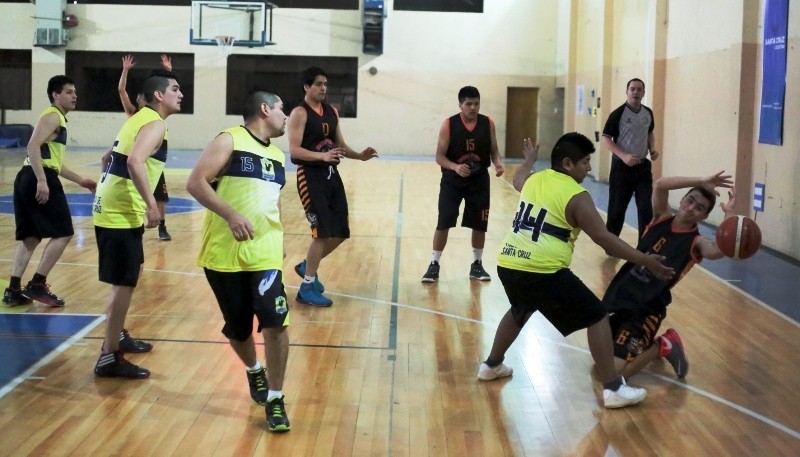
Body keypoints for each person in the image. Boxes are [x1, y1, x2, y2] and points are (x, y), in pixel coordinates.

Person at [478, 133, 675, 409]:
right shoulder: (577, 196)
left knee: (521, 308)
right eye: (585, 163)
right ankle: (613, 388)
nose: (590, 169)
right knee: (597, 316)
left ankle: (491, 365)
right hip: (543, 270)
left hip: (509, 263)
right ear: (568, 164)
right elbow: (604, 239)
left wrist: (529, 161)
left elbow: (517, 179)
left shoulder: (536, 179)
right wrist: (646, 260)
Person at [187, 91, 291, 433]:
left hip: (266, 253)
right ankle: (253, 370)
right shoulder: (228, 139)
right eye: (282, 109)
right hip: (223, 253)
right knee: (238, 329)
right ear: (265, 109)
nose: (286, 116)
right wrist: (230, 214)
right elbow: (195, 182)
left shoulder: (277, 155)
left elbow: (270, 202)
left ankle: (275, 398)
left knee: (276, 323)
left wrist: (280, 243)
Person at [92, 70, 182, 378]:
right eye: (175, 89)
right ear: (159, 95)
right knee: (124, 283)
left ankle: (115, 335)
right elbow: (133, 161)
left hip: (114, 208)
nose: (180, 94)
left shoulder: (139, 118)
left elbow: (108, 158)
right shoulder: (155, 123)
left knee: (129, 277)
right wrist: (150, 205)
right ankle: (108, 357)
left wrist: (105, 186)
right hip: (120, 212)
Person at [604, 172, 735, 380]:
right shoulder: (661, 217)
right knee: (599, 358)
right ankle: (645, 345)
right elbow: (661, 184)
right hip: (619, 296)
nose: (691, 208)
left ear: (704, 217)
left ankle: (664, 344)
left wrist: (729, 217)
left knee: (613, 374)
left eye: (699, 208)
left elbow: (717, 250)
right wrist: (700, 180)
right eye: (689, 201)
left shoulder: (696, 241)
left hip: (644, 310)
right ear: (682, 200)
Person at [287, 66, 379, 307]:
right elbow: (294, 151)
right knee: (322, 233)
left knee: (340, 231)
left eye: (325, 83)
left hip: (330, 175)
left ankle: (308, 266)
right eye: (318, 83)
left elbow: (340, 145)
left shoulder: (332, 112)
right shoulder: (300, 112)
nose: (323, 88)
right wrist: (321, 157)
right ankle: (306, 287)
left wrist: (359, 156)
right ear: (307, 87)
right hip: (310, 176)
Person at [2, 75, 96, 308]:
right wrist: (42, 181)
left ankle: (13, 289)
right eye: (68, 92)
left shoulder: (57, 120)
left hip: (27, 177)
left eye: (75, 92)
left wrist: (81, 180)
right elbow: (32, 146)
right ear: (55, 95)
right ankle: (37, 284)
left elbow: (52, 161)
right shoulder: (53, 116)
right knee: (63, 232)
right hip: (36, 177)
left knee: (31, 236)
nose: (74, 96)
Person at [421, 86, 504, 283]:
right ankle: (434, 264)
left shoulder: (488, 123)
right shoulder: (449, 124)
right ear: (460, 105)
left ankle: (477, 264)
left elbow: (494, 150)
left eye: (476, 103)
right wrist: (455, 167)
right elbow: (439, 157)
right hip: (453, 181)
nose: (473, 107)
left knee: (480, 223)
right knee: (445, 221)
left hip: (479, 180)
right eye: (468, 104)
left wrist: (498, 163)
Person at [117, 54, 174, 241]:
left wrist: (167, 72)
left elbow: (166, 89)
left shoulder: (156, 119)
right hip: (140, 160)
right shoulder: (135, 115)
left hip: (152, 162)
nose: (140, 99)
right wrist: (125, 71)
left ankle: (162, 227)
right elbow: (121, 90)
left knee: (161, 197)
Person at [601, 78, 659, 242]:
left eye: (639, 89)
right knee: (617, 210)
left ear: (643, 93)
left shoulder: (648, 113)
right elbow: (606, 139)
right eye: (632, 89)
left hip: (642, 168)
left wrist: (652, 149)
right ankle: (610, 245)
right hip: (621, 169)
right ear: (627, 92)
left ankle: (644, 246)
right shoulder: (618, 114)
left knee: (645, 209)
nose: (635, 92)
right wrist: (624, 156)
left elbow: (649, 133)